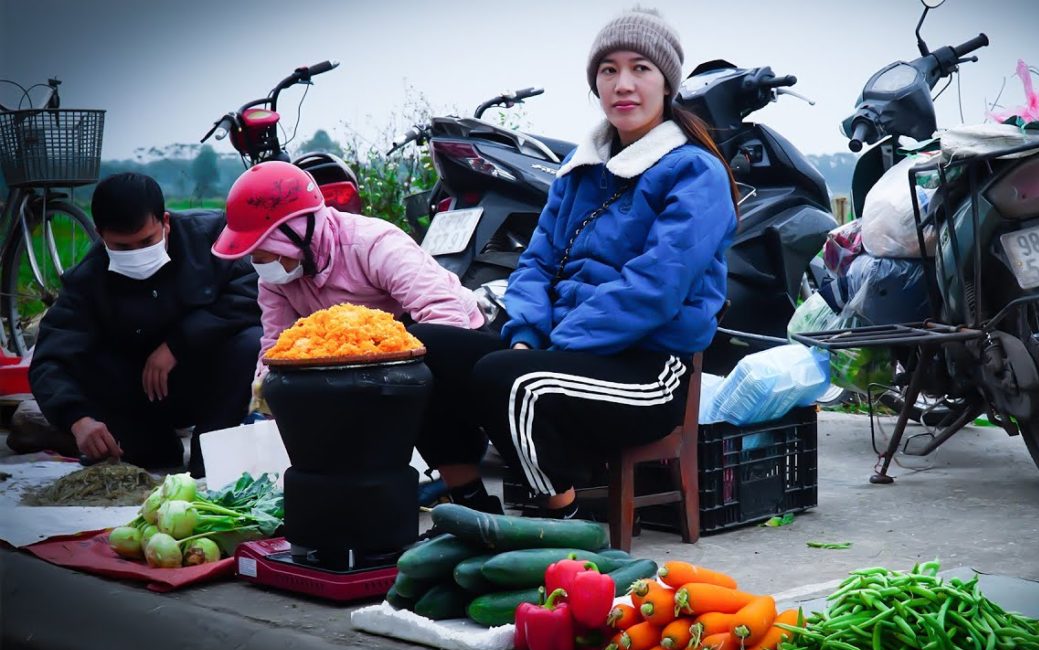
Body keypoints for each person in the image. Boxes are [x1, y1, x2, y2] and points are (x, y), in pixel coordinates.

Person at [413, 7, 739, 518]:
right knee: (420, 350)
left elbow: (654, 288)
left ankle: (557, 515)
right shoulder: (580, 171)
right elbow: (536, 263)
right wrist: (525, 332)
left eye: (640, 68)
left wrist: (548, 346)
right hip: (564, 351)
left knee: (509, 378)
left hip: (648, 370)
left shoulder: (695, 173)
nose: (622, 84)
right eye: (608, 70)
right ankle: (471, 508)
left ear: (667, 83)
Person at [29, 172, 262, 476]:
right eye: (123, 248)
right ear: (100, 234)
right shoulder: (87, 281)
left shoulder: (210, 235)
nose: (137, 254)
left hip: (209, 382)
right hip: (139, 397)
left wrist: (178, 343)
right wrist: (78, 419)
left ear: (165, 222)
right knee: (148, 458)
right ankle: (151, 446)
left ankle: (211, 451)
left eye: (147, 241)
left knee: (250, 341)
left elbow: (252, 292)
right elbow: (49, 360)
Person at [209, 160, 484, 400]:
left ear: (299, 233)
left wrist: (392, 383)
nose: (261, 264)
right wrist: (264, 391)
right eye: (254, 256)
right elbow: (278, 345)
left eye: (265, 251)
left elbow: (445, 317)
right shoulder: (276, 277)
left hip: (447, 339)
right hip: (367, 363)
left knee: (427, 342)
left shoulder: (373, 244)